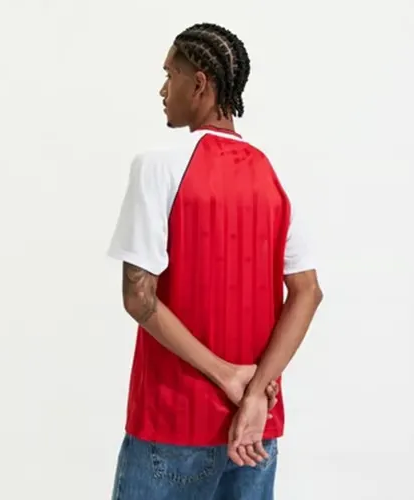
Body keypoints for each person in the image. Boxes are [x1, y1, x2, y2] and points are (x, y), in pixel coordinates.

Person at [107, 22, 323, 500]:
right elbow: (308, 291)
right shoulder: (273, 174)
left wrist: (229, 376)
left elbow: (138, 296)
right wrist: (255, 392)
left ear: (199, 83)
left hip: (172, 422)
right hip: (255, 426)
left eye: (171, 75)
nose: (163, 89)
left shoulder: (157, 166)